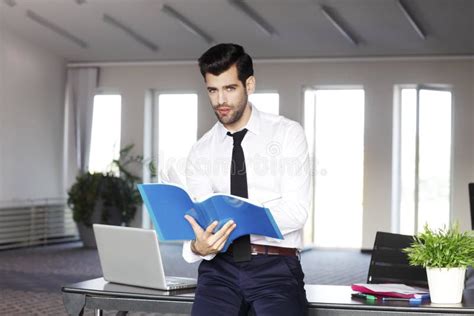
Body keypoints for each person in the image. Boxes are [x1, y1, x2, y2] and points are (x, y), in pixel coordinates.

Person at [182, 43, 310, 316]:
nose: (220, 101)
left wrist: (233, 220)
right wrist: (196, 246)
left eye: (229, 88)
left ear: (249, 85)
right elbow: (203, 220)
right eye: (212, 90)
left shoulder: (287, 133)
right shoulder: (200, 151)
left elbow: (296, 212)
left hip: (274, 267)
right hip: (219, 269)